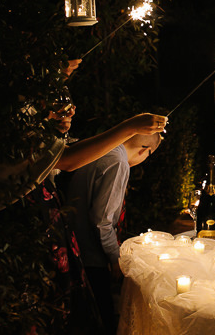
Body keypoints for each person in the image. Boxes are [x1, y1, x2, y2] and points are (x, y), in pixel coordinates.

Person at [66, 132, 164, 335]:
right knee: (101, 318)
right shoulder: (117, 162)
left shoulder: (102, 149)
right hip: (92, 254)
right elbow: (102, 220)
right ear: (145, 149)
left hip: (76, 242)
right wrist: (115, 257)